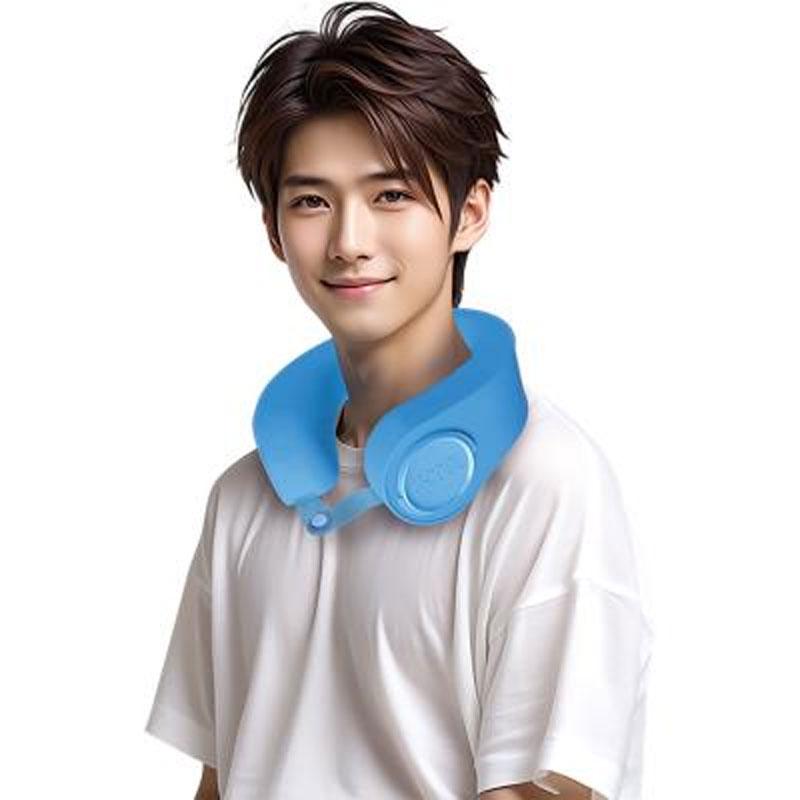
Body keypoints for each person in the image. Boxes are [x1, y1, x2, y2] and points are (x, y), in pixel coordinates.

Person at [144, 3, 655, 799]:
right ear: (274, 231)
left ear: (470, 213)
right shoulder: (243, 497)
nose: (349, 241)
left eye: (390, 195)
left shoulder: (545, 485)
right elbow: (221, 778)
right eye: (312, 201)